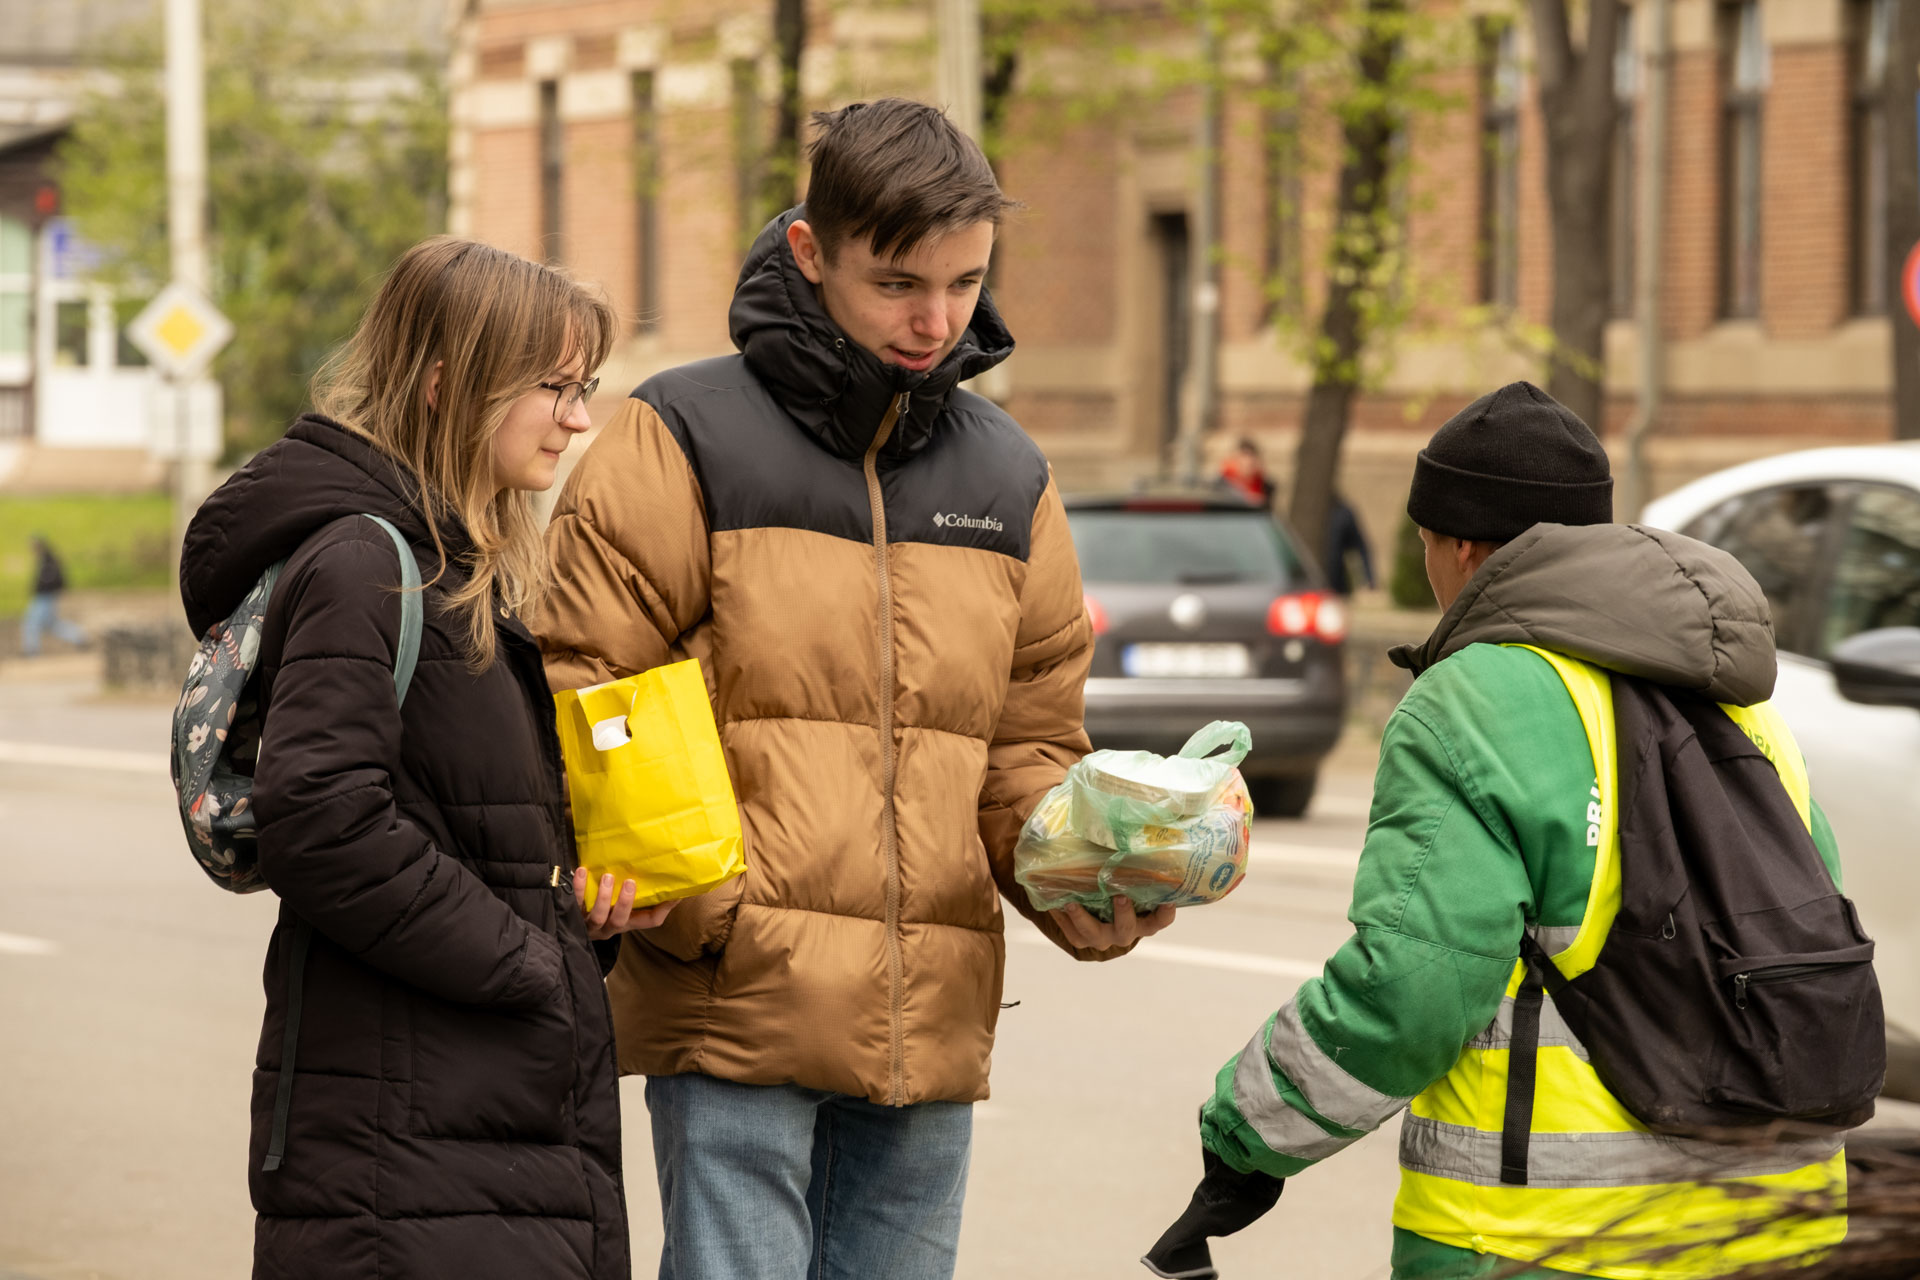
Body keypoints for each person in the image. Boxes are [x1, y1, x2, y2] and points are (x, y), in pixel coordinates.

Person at [539, 98, 1176, 1280]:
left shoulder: (1009, 471)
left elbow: (1029, 736)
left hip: (929, 1012)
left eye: (965, 281)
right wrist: (703, 911)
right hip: (739, 998)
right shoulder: (679, 433)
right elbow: (594, 680)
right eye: (898, 285)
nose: (938, 321)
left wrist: (1078, 871)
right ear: (809, 251)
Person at [1163, 382, 1855, 1280]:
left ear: (1459, 545)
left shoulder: (1473, 701)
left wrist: (1248, 1133)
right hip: (1776, 1225)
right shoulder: (1745, 708)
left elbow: (1409, 990)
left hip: (1534, 1239)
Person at [178, 238, 661, 1279]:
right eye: (555, 388)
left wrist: (572, 915)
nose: (579, 419)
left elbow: (453, 829)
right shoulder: (368, 563)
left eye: (585, 388)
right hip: (407, 1149)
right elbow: (323, 819)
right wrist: (533, 959)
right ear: (447, 384)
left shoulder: (447, 566)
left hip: (471, 1128)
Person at [22, 535, 87, 656]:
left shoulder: (49, 561)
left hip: (45, 597)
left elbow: (51, 580)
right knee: (52, 626)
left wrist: (42, 589)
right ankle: (79, 637)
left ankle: (31, 650)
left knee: (32, 623)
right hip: (45, 597)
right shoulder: (45, 560)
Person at [1324, 493, 1375, 596]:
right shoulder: (1342, 512)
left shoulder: (1342, 513)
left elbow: (1361, 546)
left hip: (1335, 578)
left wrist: (1369, 578)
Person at [1218, 438, 1273, 506]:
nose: (1248, 462)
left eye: (1251, 458)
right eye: (1244, 457)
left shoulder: (1263, 484)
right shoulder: (1223, 481)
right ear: (1236, 459)